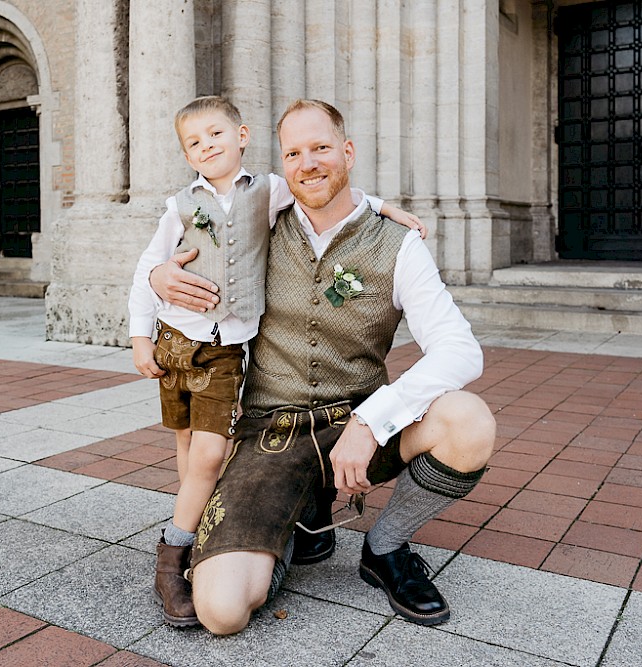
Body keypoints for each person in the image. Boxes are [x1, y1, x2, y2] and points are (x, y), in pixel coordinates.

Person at [149, 99, 496, 635]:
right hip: (272, 430)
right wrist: (157, 278)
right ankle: (294, 523)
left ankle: (385, 548)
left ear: (347, 152)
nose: (307, 163)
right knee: (221, 612)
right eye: (293, 153)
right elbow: (186, 238)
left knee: (468, 421)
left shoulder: (398, 244)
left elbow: (460, 350)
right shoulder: (260, 221)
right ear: (281, 165)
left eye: (321, 148)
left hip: (359, 418)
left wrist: (371, 420)